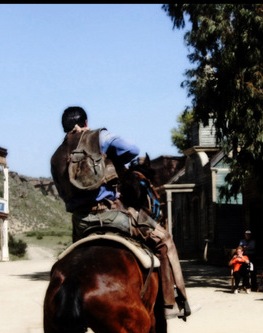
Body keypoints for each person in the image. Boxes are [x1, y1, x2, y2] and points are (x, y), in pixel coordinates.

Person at [50, 106, 191, 319]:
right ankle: (174, 302)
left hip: (80, 223)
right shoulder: (99, 137)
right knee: (165, 241)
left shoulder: (55, 157)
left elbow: (63, 192)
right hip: (112, 214)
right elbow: (132, 149)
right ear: (85, 122)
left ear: (65, 127)